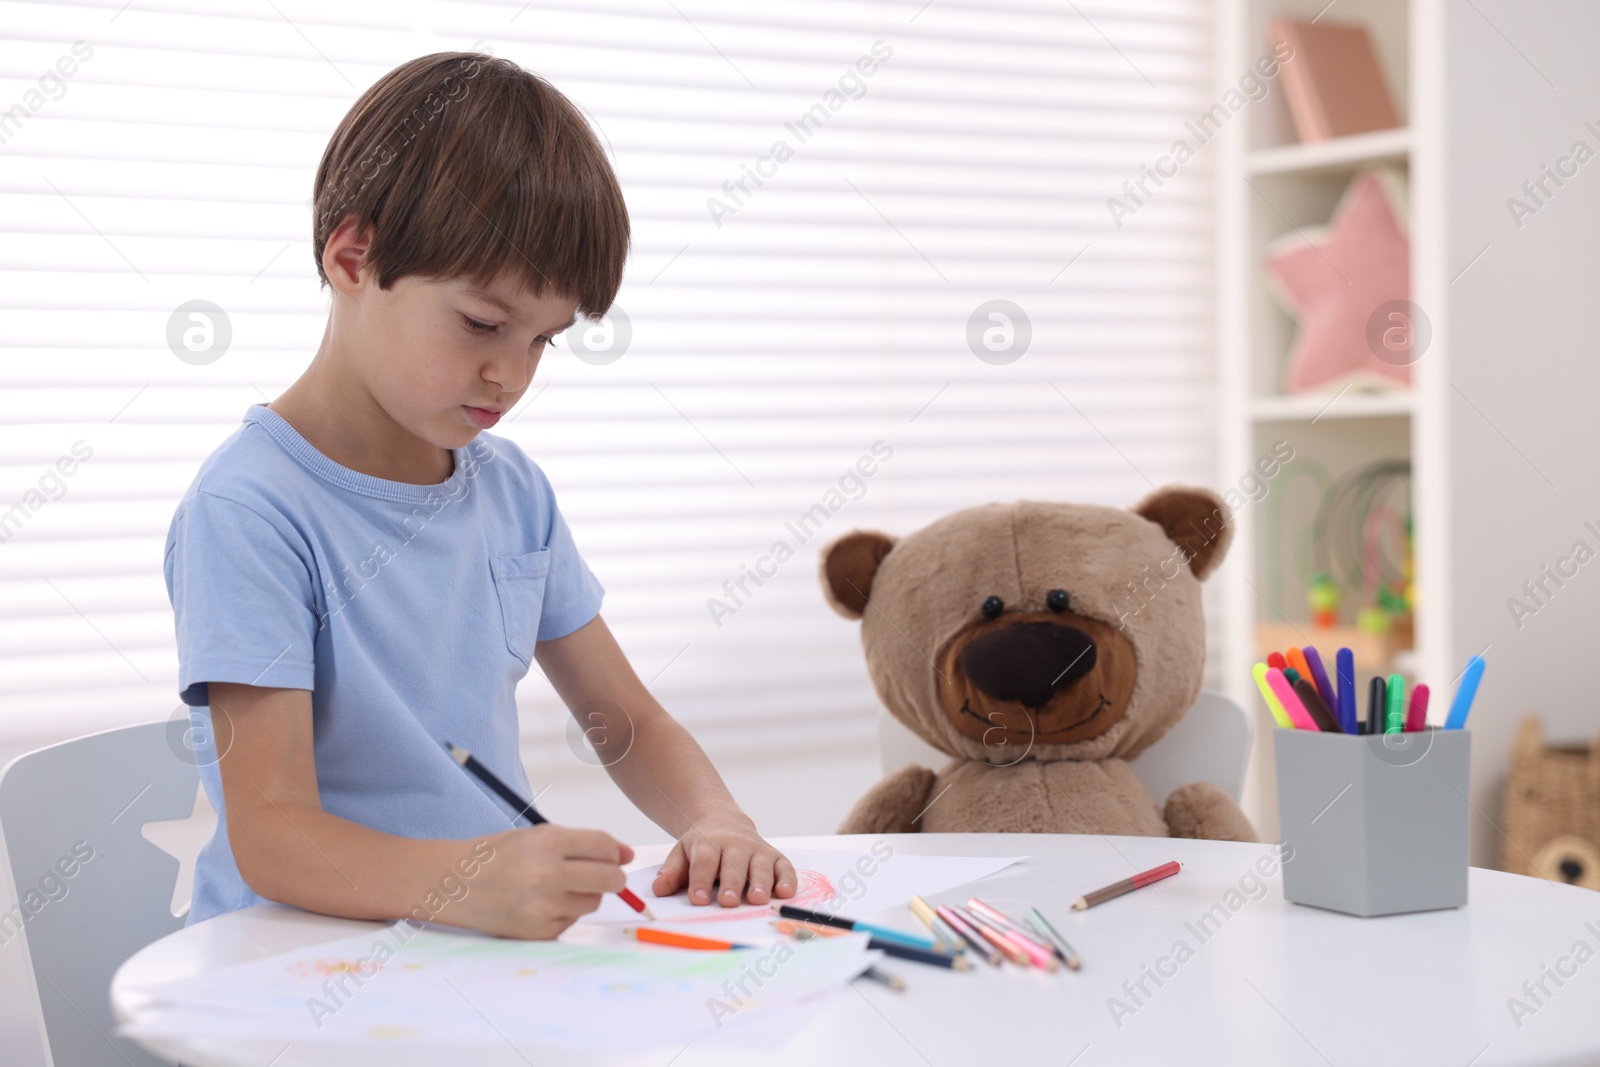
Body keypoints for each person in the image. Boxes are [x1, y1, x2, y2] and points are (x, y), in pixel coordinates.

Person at [164, 51, 795, 939]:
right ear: (353, 256)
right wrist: (466, 877)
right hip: (288, 966)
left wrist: (716, 819)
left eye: (544, 341)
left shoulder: (512, 492)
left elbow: (628, 721)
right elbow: (273, 834)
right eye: (482, 325)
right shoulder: (249, 511)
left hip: (460, 955)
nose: (510, 374)